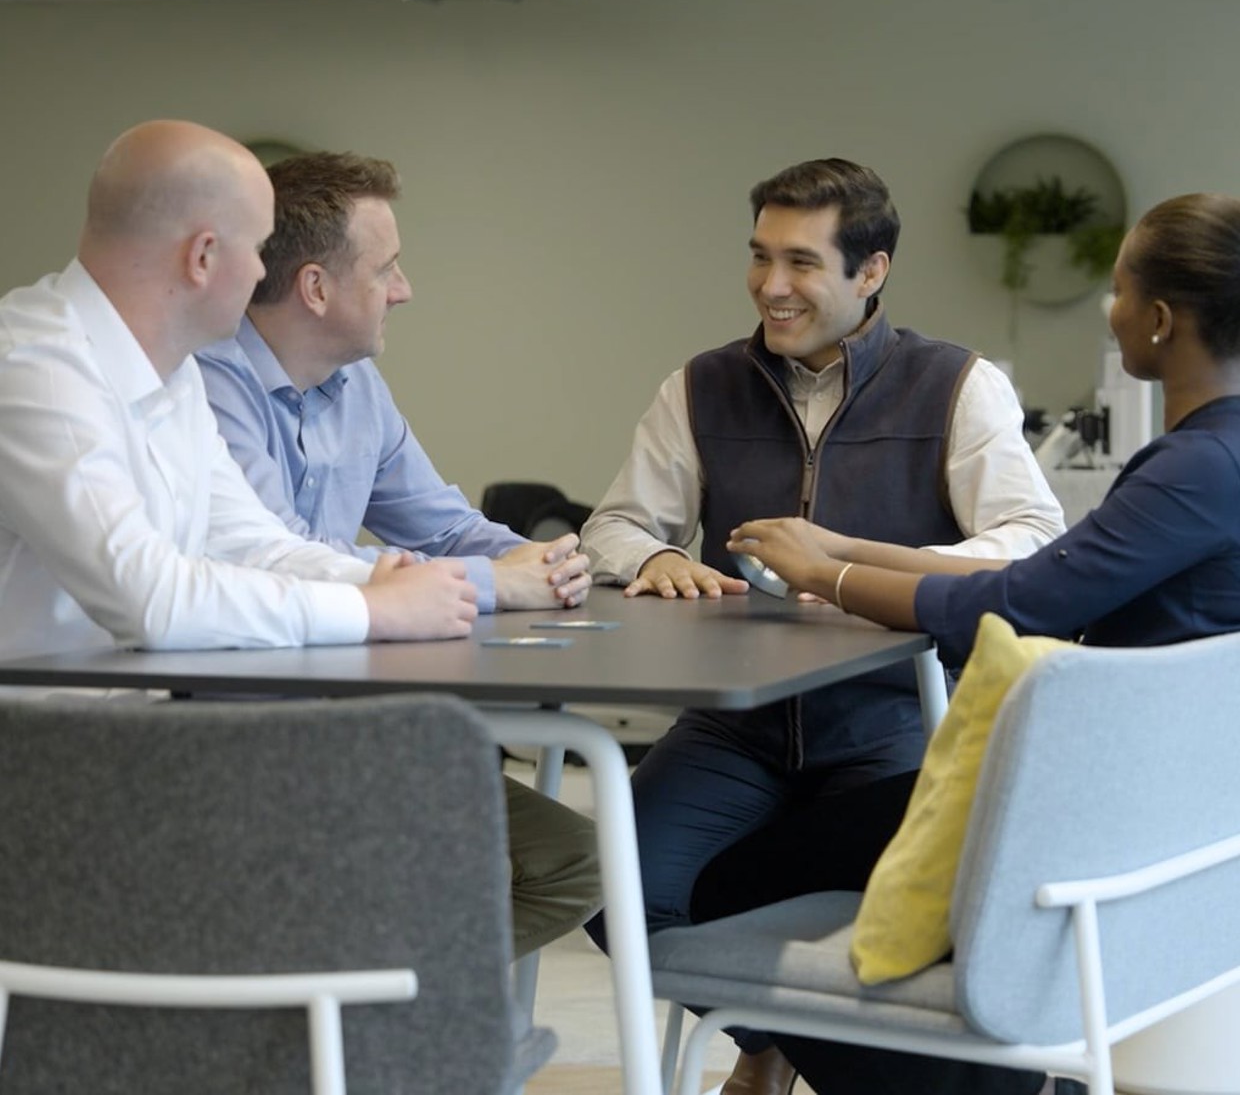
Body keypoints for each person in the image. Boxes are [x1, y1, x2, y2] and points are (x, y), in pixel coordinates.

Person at [719, 191, 1240, 1095]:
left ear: (1158, 320)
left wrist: (825, 578)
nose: (1108, 309)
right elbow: (1056, 578)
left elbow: (1018, 605)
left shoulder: (1197, 468)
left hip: (1077, 820)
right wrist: (843, 546)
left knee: (733, 879)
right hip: (1156, 815)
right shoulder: (1214, 459)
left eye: (1117, 290)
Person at [580, 157, 1066, 1095]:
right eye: (760, 257)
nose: (772, 286)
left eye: (802, 263)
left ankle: (785, 1053)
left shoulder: (958, 386)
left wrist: (854, 574)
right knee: (619, 893)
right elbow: (616, 521)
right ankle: (771, 1043)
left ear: (870, 272)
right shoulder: (701, 385)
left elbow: (1028, 537)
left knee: (911, 929)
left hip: (892, 719)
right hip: (736, 726)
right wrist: (653, 558)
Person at [195, 150, 600, 959]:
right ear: (316, 288)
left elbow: (445, 527)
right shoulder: (204, 384)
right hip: (234, 745)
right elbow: (277, 559)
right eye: (387, 269)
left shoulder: (356, 385)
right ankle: (338, 1024)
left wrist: (548, 561)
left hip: (359, 725)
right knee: (544, 864)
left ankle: (353, 1021)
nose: (405, 288)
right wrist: (499, 585)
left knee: (574, 865)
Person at [0, 119, 478, 669]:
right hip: (39, 742)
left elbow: (254, 545)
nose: (261, 273)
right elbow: (151, 600)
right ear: (202, 257)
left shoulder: (173, 372)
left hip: (130, 718)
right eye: (256, 248)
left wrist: (382, 580)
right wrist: (373, 609)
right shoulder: (38, 372)